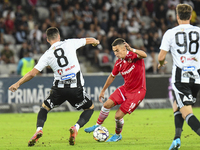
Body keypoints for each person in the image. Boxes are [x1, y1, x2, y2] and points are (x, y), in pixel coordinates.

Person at [9, 27, 100, 146]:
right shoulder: (69, 43)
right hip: (75, 87)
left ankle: (39, 130)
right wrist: (95, 42)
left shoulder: (47, 55)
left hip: (59, 89)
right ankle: (76, 127)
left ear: (47, 40)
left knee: (44, 108)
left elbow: (32, 73)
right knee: (90, 108)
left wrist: (17, 84)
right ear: (59, 37)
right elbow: (90, 40)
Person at [84, 38, 147, 142]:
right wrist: (103, 90)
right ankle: (97, 125)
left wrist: (133, 49)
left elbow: (144, 55)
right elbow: (112, 76)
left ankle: (118, 135)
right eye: (114, 51)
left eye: (117, 51)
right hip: (126, 88)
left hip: (137, 92)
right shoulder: (119, 63)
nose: (115, 53)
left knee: (117, 116)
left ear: (124, 48)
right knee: (106, 104)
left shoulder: (133, 56)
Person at [158, 4, 200, 150]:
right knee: (177, 105)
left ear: (177, 16)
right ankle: (176, 139)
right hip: (197, 78)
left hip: (180, 78)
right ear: (190, 16)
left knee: (187, 112)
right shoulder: (199, 31)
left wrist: (161, 63)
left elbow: (161, 56)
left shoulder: (170, 33)